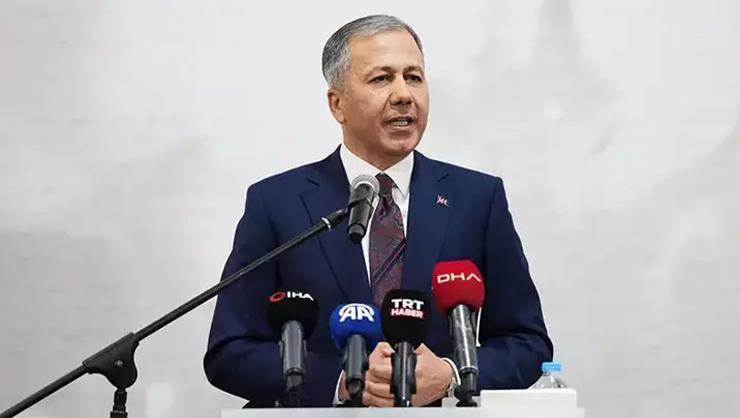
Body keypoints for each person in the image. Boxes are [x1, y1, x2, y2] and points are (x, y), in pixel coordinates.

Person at [204, 14, 552, 407]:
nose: (404, 94)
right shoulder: (277, 202)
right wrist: (342, 380)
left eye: (414, 77)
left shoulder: (477, 198)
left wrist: (450, 374)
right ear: (337, 104)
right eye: (382, 78)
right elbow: (230, 351)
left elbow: (527, 343)